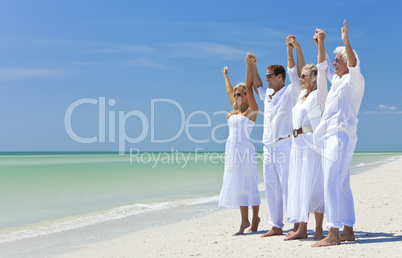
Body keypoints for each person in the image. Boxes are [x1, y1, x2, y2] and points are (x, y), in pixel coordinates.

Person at [312, 20, 365, 247]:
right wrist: (320, 44)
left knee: (331, 181)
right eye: (335, 60)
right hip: (331, 136)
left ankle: (333, 233)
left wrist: (346, 42)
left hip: (341, 135)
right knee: (341, 183)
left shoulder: (355, 81)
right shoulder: (338, 81)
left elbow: (352, 63)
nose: (335, 63)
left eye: (338, 60)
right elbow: (323, 65)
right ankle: (348, 229)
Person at [249, 36, 304, 237]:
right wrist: (253, 65)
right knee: (271, 187)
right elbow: (256, 85)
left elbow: (296, 72)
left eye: (270, 76)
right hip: (268, 146)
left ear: (280, 77)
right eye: (266, 75)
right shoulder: (268, 95)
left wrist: (292, 50)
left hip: (285, 144)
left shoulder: (291, 91)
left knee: (289, 185)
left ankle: (298, 224)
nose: (267, 79)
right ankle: (276, 225)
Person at [284, 32, 328, 241]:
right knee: (300, 185)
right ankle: (302, 228)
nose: (300, 78)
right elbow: (292, 71)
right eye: (301, 76)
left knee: (315, 184)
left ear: (312, 78)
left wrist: (320, 44)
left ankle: (318, 229)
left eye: (304, 76)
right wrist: (290, 49)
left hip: (312, 145)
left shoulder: (319, 95)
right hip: (297, 146)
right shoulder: (301, 94)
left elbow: (322, 67)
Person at [218, 54, 261, 235]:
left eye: (239, 94)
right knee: (238, 184)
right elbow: (228, 91)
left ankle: (255, 217)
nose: (235, 96)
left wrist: (248, 66)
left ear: (245, 95)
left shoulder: (251, 111)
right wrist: (226, 75)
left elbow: (249, 88)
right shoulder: (235, 110)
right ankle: (244, 221)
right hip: (232, 151)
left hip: (245, 150)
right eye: (235, 94)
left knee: (249, 183)